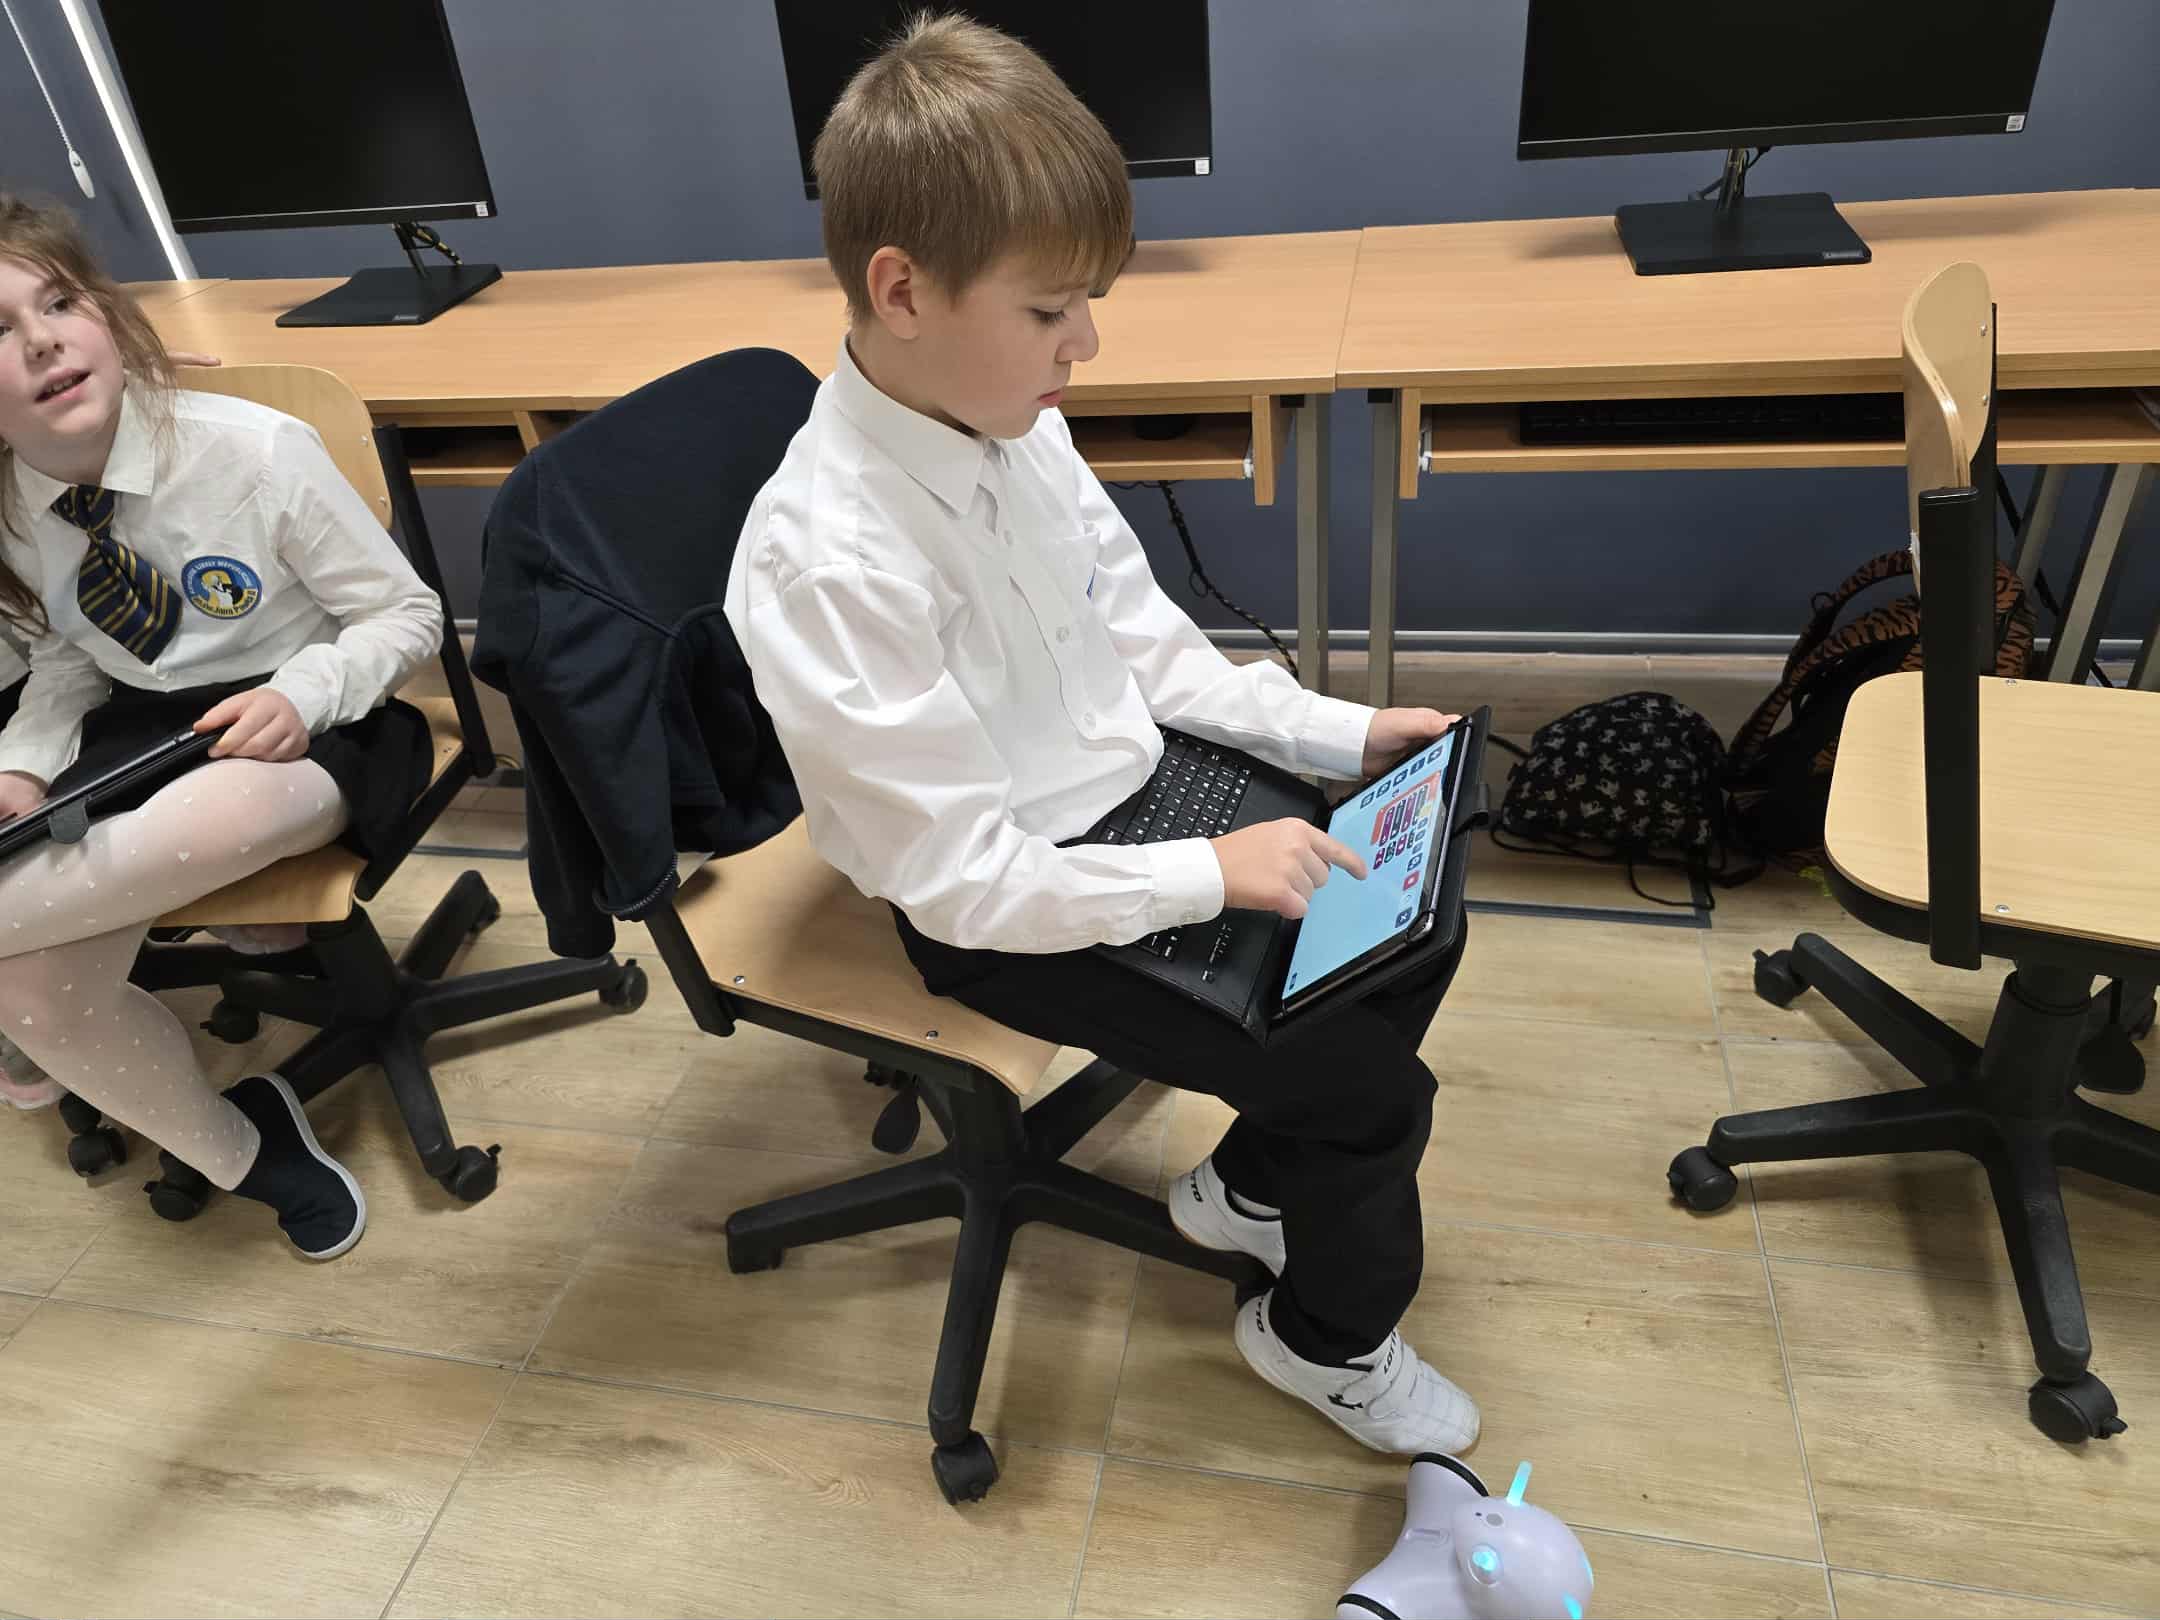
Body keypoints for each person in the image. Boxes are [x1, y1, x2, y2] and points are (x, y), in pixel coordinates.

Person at [726, 16, 1478, 1455]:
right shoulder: (830, 560)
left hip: (1134, 796)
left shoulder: (1014, 423)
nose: (1087, 343)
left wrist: (1343, 732)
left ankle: (1250, 1188)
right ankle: (1325, 1340)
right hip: (1011, 902)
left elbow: (1146, 645)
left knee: (1416, 919)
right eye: (1051, 310)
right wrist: (1210, 875)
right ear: (902, 290)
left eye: (1089, 303)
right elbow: (962, 883)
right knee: (1373, 1095)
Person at [0, 193, 444, 1258]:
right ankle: (246, 1151)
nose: (43, 341)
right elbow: (67, 656)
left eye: (58, 303)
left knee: (223, 812)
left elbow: (405, 614)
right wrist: (23, 767)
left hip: (312, 710)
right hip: (137, 727)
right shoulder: (13, 505)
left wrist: (306, 695)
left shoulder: (252, 451)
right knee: (29, 990)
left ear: (106, 311)